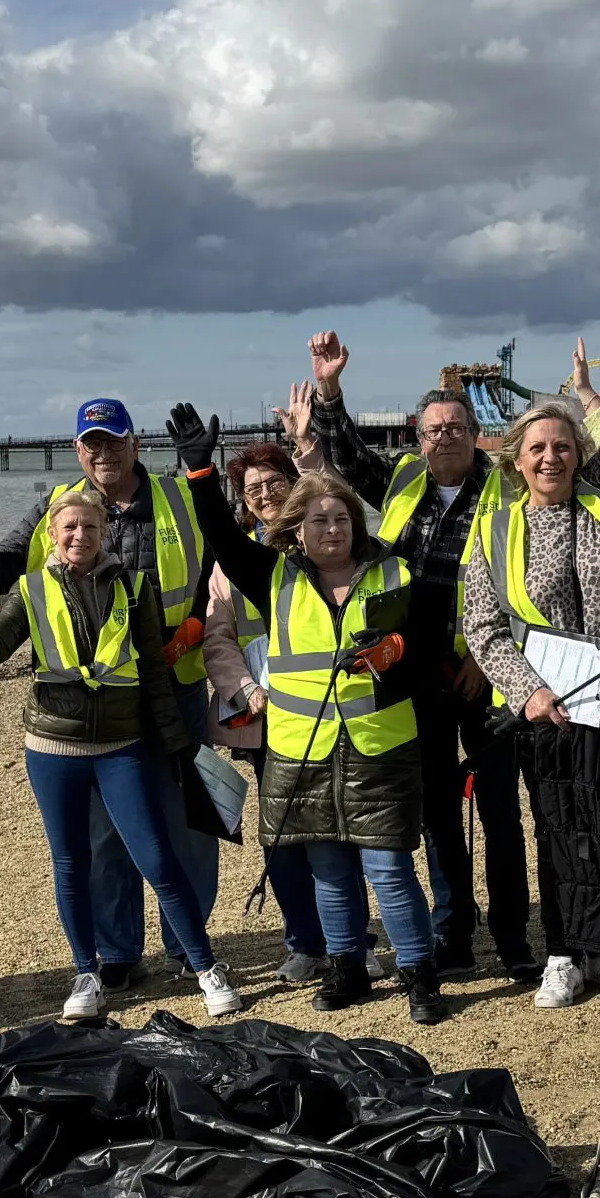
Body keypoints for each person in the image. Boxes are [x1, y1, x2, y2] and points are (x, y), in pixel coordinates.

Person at [0, 399, 219, 989]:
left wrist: (201, 619)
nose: (103, 453)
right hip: (89, 703)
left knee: (186, 825)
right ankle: (117, 950)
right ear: (76, 450)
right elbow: (2, 566)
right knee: (104, 833)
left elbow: (224, 552)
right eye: (91, 443)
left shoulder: (175, 496)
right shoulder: (54, 508)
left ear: (135, 445)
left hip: (176, 680)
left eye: (113, 441)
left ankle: (185, 944)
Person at [463, 248, 600, 1008]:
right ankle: (562, 951)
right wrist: (527, 694)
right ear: (516, 461)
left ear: (578, 452)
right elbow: (482, 629)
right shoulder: (493, 532)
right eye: (537, 448)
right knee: (557, 828)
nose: (551, 456)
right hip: (548, 708)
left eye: (561, 445)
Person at [176, 421, 441, 1023]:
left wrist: (393, 653)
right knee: (329, 868)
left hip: (380, 745)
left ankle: (419, 971)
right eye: (317, 521)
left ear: (356, 522)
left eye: (341, 518)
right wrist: (200, 475)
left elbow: (427, 654)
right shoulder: (274, 576)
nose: (331, 529)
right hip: (303, 748)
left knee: (389, 867)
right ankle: (347, 966)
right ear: (296, 530)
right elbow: (221, 535)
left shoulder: (395, 574)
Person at [309, 345, 536, 985]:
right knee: (437, 812)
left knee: (499, 812)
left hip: (490, 672)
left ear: (475, 434)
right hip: (420, 676)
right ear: (419, 436)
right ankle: (452, 935)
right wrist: (329, 393)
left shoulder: (507, 488)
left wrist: (491, 662)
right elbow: (349, 457)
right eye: (433, 430)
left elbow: (526, 577)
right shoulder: (407, 480)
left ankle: (514, 938)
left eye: (456, 429)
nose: (444, 439)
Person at [202, 415, 330, 984]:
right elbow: (217, 637)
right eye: (252, 490)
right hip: (263, 715)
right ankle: (303, 941)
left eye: (274, 482)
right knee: (280, 833)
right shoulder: (232, 563)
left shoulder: (325, 545)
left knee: (333, 829)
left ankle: (347, 936)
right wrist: (245, 689)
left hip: (325, 711)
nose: (264, 495)